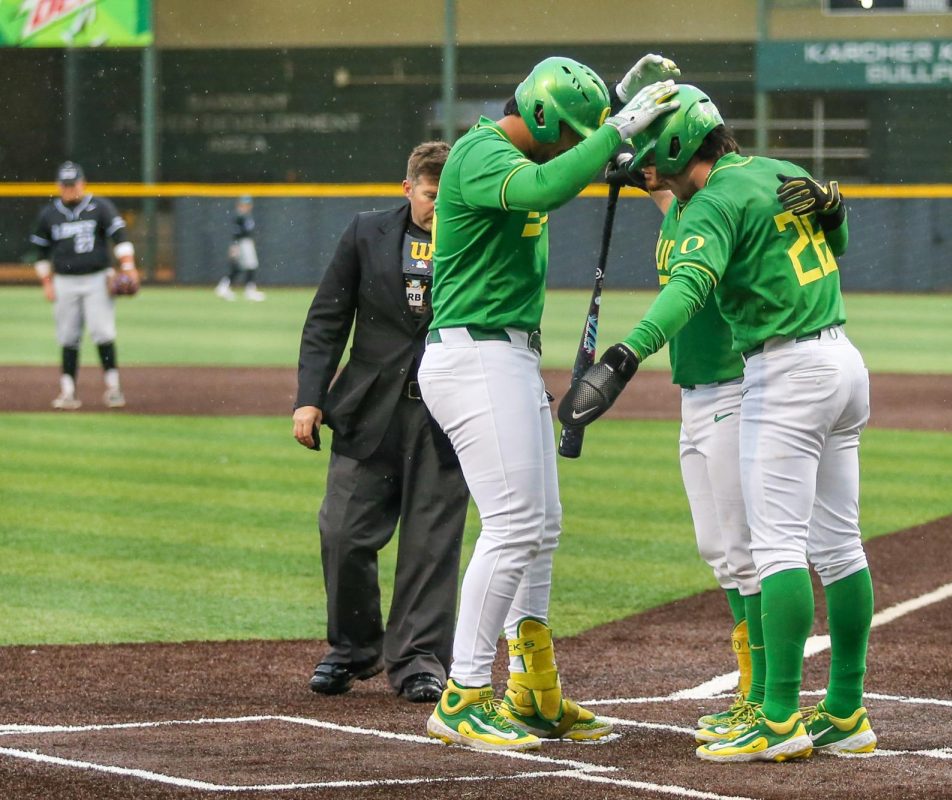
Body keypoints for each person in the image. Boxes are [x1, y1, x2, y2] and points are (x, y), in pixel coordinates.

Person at [561, 85, 877, 763]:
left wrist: (626, 353)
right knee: (841, 548)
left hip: (786, 372)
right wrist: (839, 212)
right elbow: (835, 237)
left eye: (652, 149)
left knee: (778, 551)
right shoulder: (777, 171)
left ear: (678, 144)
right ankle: (846, 710)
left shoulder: (713, 202)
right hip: (843, 359)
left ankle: (779, 716)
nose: (644, 161)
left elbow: (688, 287)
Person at [417, 54, 681, 752]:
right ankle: (464, 694)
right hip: (473, 354)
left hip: (502, 355)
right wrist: (613, 128)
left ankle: (532, 692)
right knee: (513, 524)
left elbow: (562, 167)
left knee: (541, 526)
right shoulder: (479, 152)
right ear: (537, 114)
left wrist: (612, 111)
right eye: (566, 131)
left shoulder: (509, 148)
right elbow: (551, 185)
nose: (575, 146)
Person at [293, 142, 470, 704]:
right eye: (429, 196)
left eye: (449, 198)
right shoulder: (365, 232)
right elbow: (327, 319)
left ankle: (418, 660)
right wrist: (309, 397)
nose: (438, 208)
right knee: (341, 532)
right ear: (408, 187)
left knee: (429, 545)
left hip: (446, 412)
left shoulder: (475, 236)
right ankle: (352, 649)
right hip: (368, 408)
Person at [608, 156, 763, 743]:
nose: (645, 166)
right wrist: (636, 176)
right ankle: (750, 684)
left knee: (745, 552)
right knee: (717, 550)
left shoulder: (710, 213)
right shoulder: (676, 211)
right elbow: (667, 199)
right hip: (694, 397)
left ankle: (761, 694)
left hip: (731, 388)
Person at [30, 161, 140, 410]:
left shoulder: (99, 207)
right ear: (58, 186)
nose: (69, 189)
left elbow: (119, 237)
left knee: (103, 333)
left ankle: (113, 388)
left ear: (82, 183)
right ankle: (68, 391)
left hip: (97, 279)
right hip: (64, 281)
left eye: (73, 184)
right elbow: (40, 253)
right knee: (68, 337)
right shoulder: (49, 214)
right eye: (65, 185)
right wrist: (47, 282)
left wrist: (128, 265)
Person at [216, 196, 265, 301]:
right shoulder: (239, 217)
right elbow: (236, 233)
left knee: (241, 267)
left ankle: (224, 287)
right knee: (246, 266)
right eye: (243, 204)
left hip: (246, 242)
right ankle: (247, 290)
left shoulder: (246, 216)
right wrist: (234, 246)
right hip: (241, 243)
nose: (246, 206)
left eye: (247, 204)